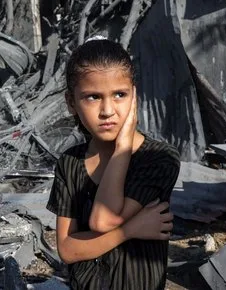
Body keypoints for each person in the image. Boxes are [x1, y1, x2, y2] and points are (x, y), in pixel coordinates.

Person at [46, 37, 180, 290]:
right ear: (71, 102)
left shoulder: (159, 158)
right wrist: (129, 230)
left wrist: (123, 148)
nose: (108, 110)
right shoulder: (70, 163)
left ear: (134, 95)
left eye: (120, 94)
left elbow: (102, 220)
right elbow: (67, 250)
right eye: (93, 97)